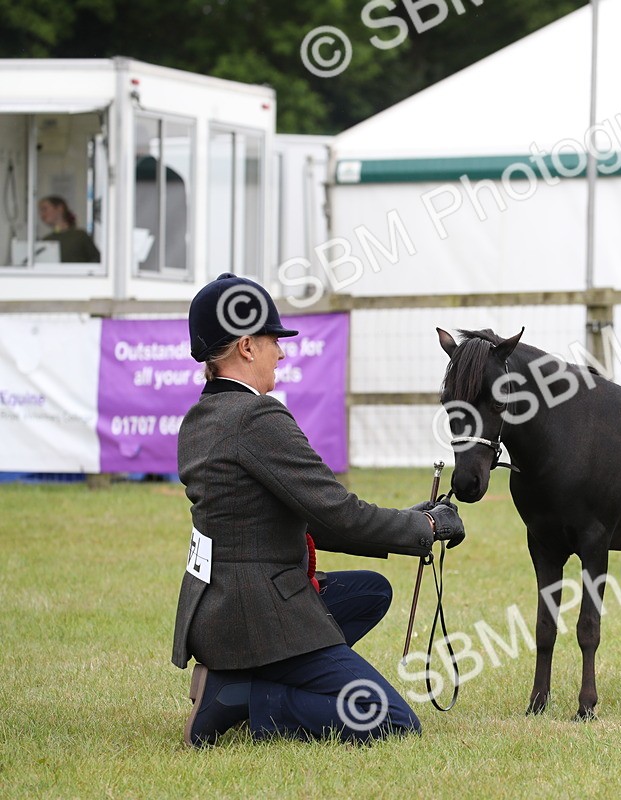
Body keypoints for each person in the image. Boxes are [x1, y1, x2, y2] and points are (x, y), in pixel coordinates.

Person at [174, 272, 466, 747]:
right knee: (390, 719)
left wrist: (411, 522)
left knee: (368, 592)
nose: (282, 352)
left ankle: (239, 679)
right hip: (253, 617)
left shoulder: (200, 418)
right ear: (246, 346)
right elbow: (339, 513)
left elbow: (307, 518)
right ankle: (246, 696)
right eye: (273, 341)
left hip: (215, 613)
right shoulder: (257, 418)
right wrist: (426, 526)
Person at [38, 196, 100, 263]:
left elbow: (97, 261)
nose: (42, 214)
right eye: (40, 210)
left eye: (44, 209)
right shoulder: (46, 241)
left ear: (59, 208)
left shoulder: (80, 236)